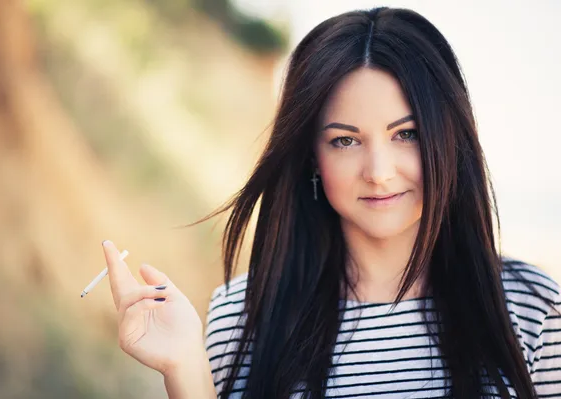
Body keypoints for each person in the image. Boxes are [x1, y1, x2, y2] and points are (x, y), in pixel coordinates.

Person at [101, 6, 561, 399]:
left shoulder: (531, 309)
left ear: (449, 138)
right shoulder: (241, 317)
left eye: (407, 134)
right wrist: (184, 371)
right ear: (312, 158)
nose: (378, 172)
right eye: (345, 141)